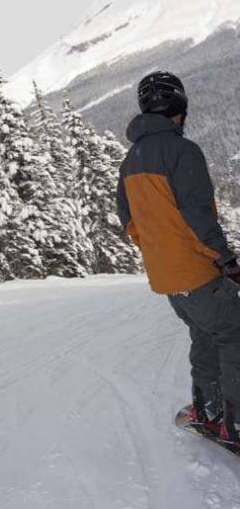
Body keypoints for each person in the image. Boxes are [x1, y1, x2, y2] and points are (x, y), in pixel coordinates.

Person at [116, 71, 240, 443]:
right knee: (234, 333)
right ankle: (235, 423)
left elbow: (131, 222)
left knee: (205, 334)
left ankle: (209, 411)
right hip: (198, 271)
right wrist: (227, 261)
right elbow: (197, 213)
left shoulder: (129, 161)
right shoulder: (182, 151)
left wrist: (162, 254)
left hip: (168, 278)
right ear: (179, 106)